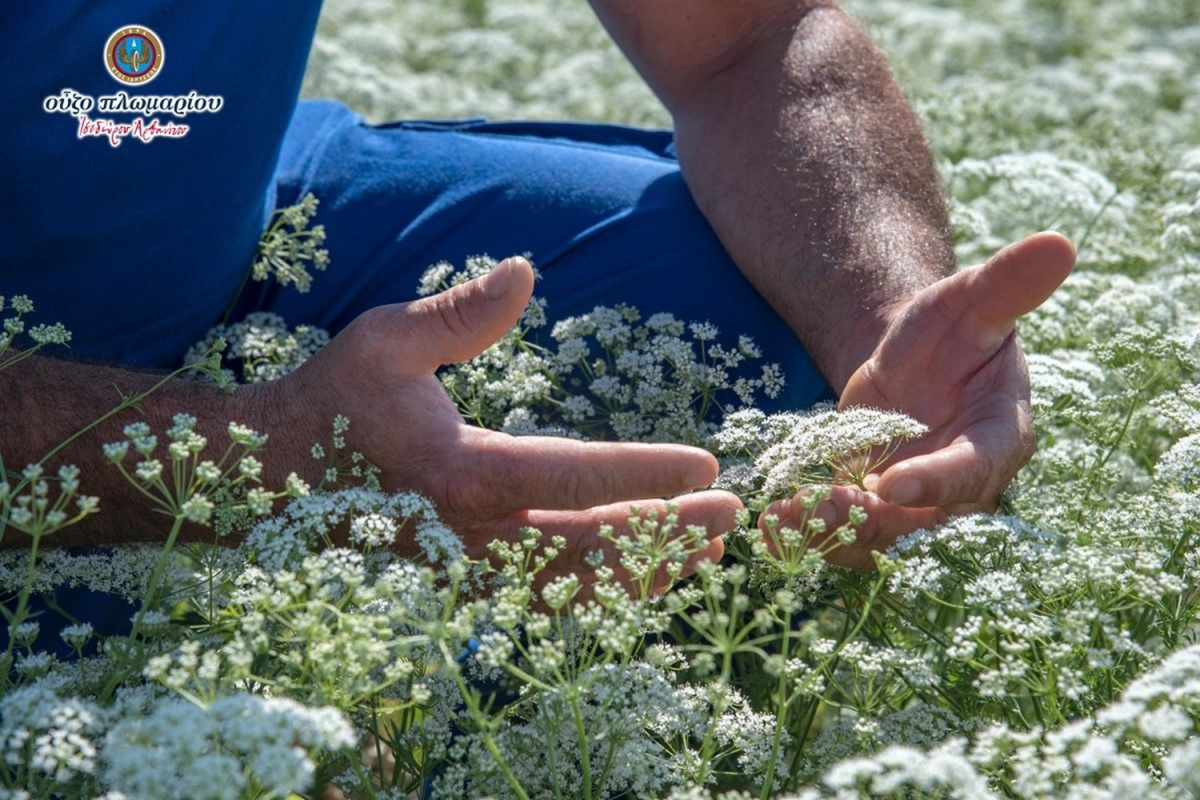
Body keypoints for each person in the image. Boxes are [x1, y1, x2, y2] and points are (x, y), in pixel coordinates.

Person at [0, 0, 1075, 594]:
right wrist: (260, 457)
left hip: (245, 215)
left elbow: (748, 41)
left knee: (763, 352)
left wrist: (883, 316)